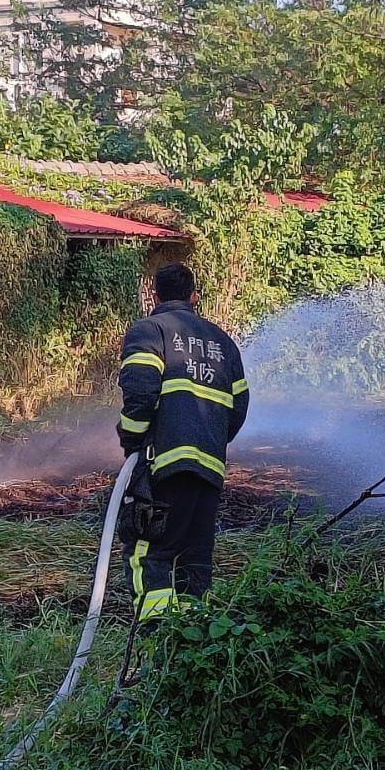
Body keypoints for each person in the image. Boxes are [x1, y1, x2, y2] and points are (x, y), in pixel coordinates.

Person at [116, 263, 249, 622]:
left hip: (164, 467)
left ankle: (154, 644)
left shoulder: (149, 330)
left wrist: (131, 437)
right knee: (194, 560)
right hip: (208, 469)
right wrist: (209, 440)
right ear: (194, 296)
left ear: (153, 295)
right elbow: (238, 406)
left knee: (150, 553)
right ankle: (189, 652)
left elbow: (140, 391)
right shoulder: (223, 342)